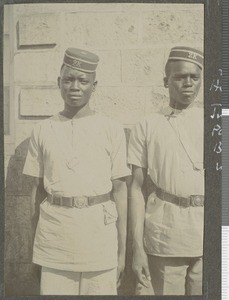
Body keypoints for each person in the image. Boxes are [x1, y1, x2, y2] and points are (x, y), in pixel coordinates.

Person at [23, 48, 130, 295]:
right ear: (58, 83)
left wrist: (122, 252)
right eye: (69, 79)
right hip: (55, 240)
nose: (75, 86)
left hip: (99, 241)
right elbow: (36, 194)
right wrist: (34, 247)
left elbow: (121, 191)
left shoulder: (111, 129)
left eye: (83, 81)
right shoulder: (42, 129)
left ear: (94, 85)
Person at [128, 46, 204, 295]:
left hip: (206, 236)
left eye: (194, 77)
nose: (188, 84)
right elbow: (136, 189)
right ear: (165, 81)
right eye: (180, 77)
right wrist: (137, 247)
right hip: (166, 236)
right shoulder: (148, 125)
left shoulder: (214, 122)